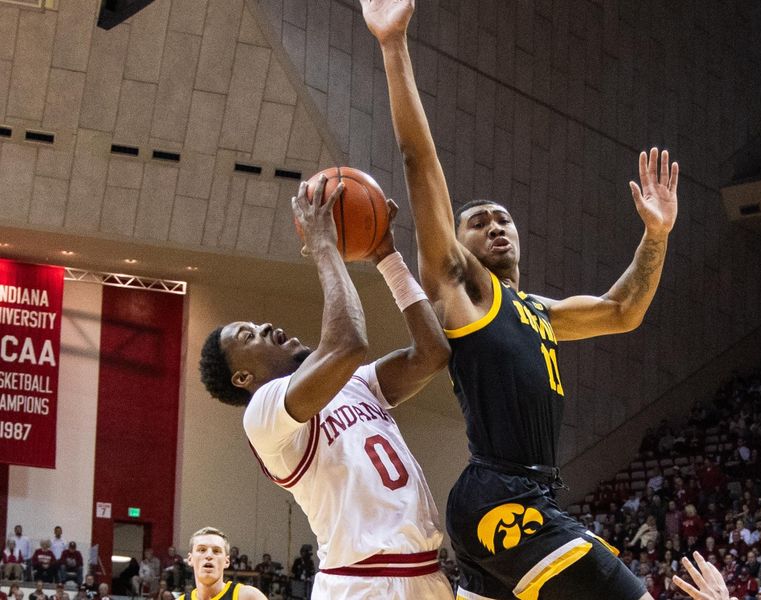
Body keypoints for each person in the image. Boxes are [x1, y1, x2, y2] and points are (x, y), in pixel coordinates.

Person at [360, 1, 679, 598]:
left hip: (526, 495)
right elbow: (419, 162)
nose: (496, 225)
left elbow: (623, 310)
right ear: (455, 247)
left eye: (503, 218)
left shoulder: (542, 313)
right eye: (478, 222)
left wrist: (655, 235)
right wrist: (393, 44)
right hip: (498, 496)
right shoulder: (465, 290)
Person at [198, 176, 453, 599]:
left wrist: (387, 256)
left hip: (426, 575)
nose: (264, 326)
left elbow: (431, 354)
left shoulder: (354, 382)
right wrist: (323, 246)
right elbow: (349, 343)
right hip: (362, 584)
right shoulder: (263, 415)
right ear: (242, 378)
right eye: (248, 337)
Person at [177, 528, 264, 600]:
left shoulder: (248, 596)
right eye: (202, 550)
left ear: (227, 561)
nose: (209, 555)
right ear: (190, 559)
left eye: (216, 551)